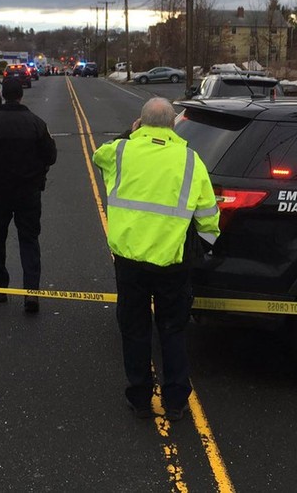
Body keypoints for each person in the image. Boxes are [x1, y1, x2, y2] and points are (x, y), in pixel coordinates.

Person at [92, 97, 220, 421]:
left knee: (134, 330)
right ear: (173, 124)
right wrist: (201, 248)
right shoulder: (191, 160)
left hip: (129, 261)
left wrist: (130, 134)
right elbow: (208, 217)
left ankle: (139, 398)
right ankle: (175, 401)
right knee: (172, 331)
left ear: (140, 122)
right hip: (172, 263)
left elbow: (99, 155)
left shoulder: (121, 151)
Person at [0, 76, 57, 313]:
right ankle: (31, 293)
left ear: (3, 95)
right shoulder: (36, 123)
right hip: (28, 193)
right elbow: (51, 156)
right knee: (29, 240)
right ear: (21, 95)